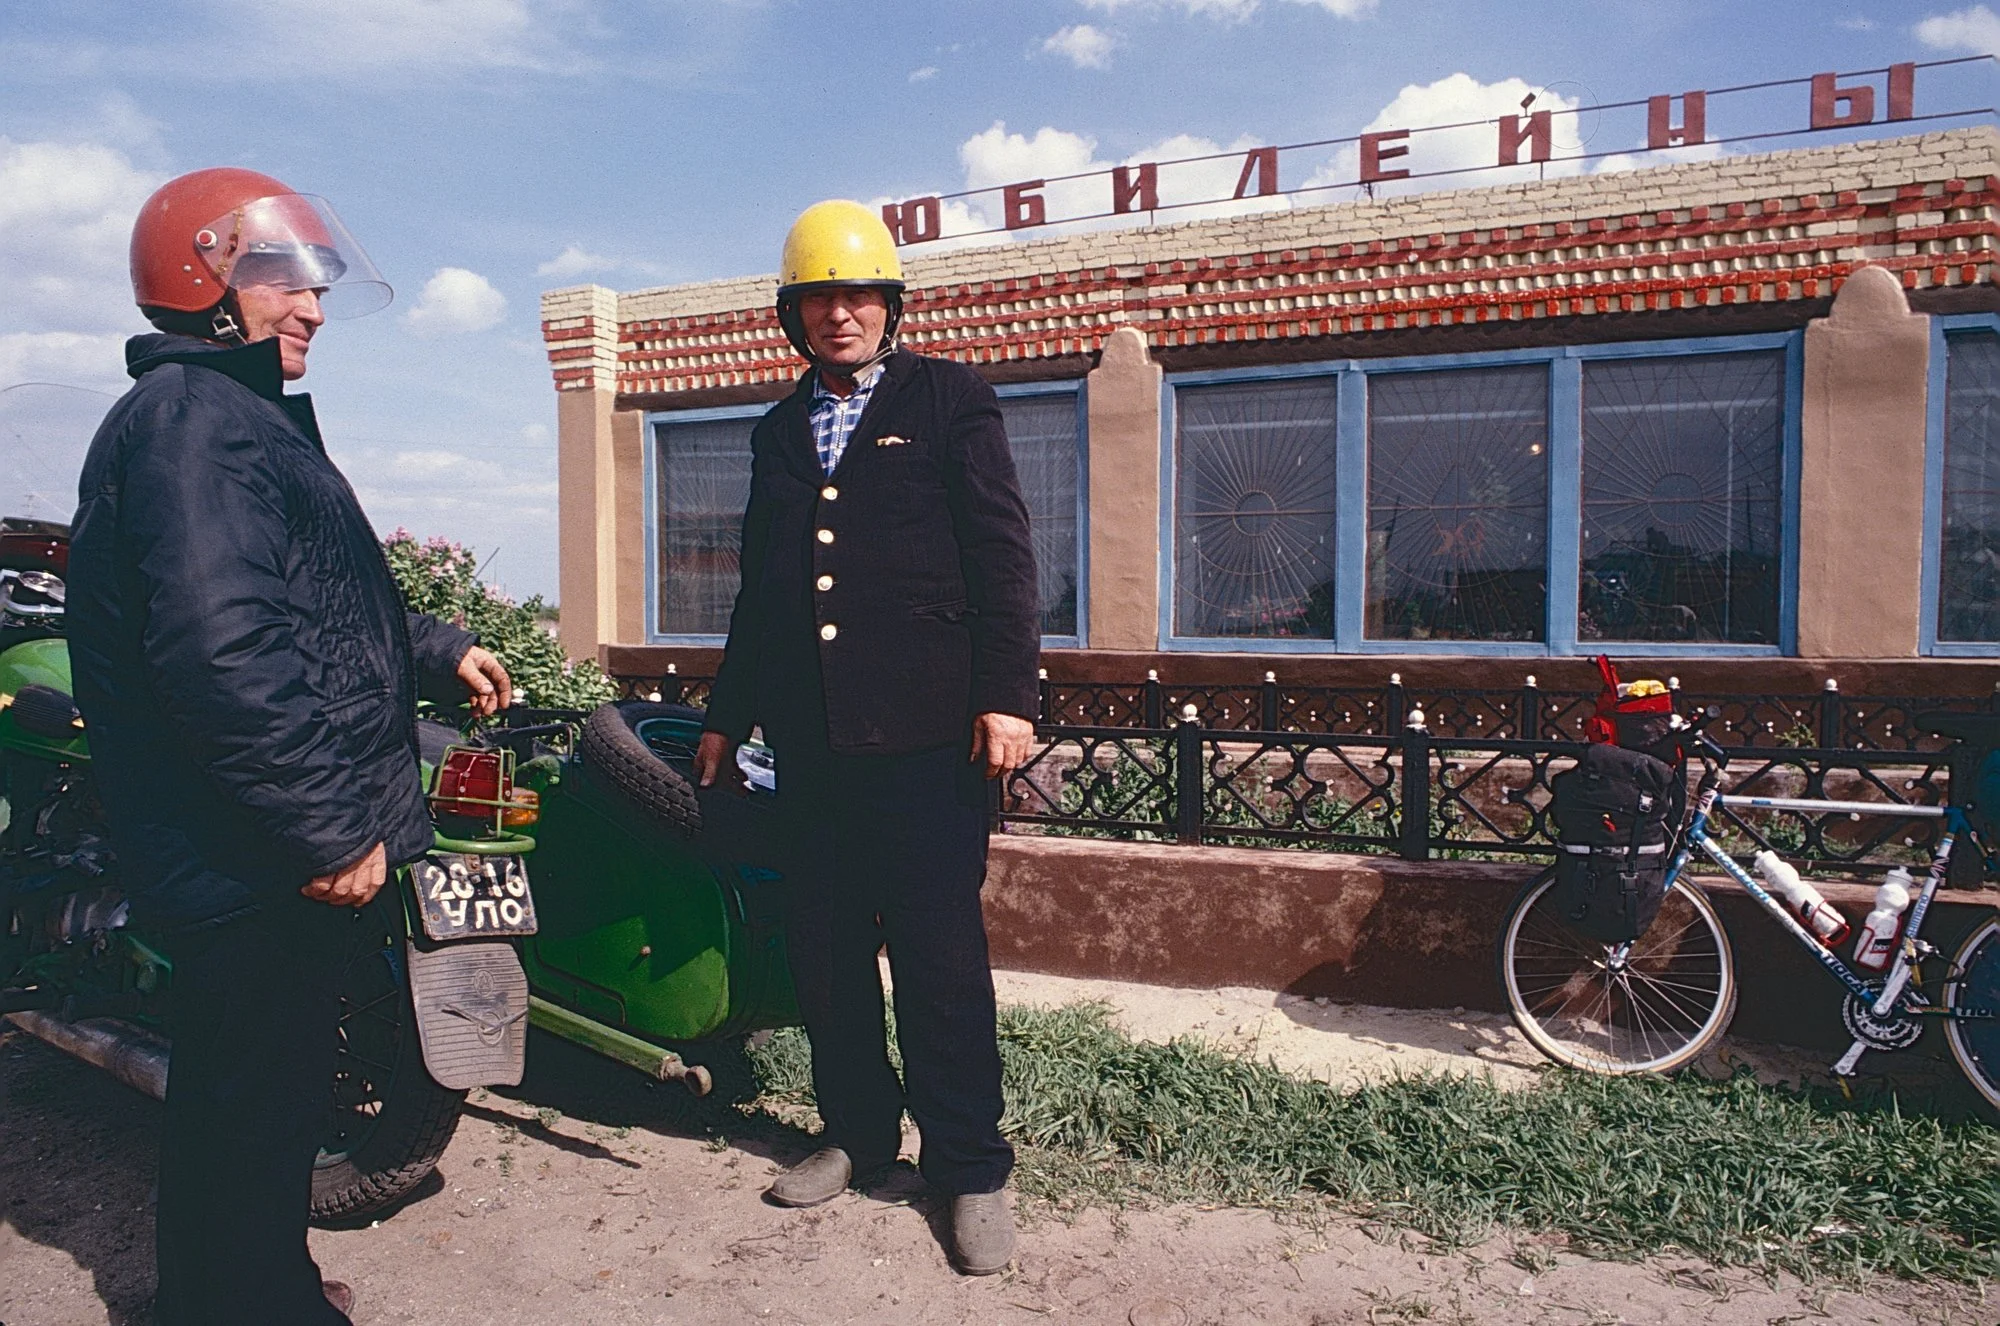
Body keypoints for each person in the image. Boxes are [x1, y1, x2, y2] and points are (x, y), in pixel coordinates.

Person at [65, 167, 513, 1326]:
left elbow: (307, 596)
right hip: (248, 848)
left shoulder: (224, 418)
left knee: (251, 1091)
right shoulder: (194, 423)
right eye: (281, 280)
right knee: (252, 1095)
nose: (310, 306)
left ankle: (243, 1289)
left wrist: (429, 647)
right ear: (205, 279)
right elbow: (226, 655)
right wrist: (321, 825)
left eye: (315, 284)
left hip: (245, 837)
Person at [693, 199, 1040, 1275]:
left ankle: (971, 1169)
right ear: (790, 316)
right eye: (816, 299)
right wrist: (723, 718)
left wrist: (1008, 698)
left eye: (857, 296)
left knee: (939, 960)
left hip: (929, 744)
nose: (837, 315)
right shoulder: (776, 429)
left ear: (890, 306)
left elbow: (1002, 559)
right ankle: (854, 1133)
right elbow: (763, 592)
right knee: (828, 958)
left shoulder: (949, 398)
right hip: (809, 746)